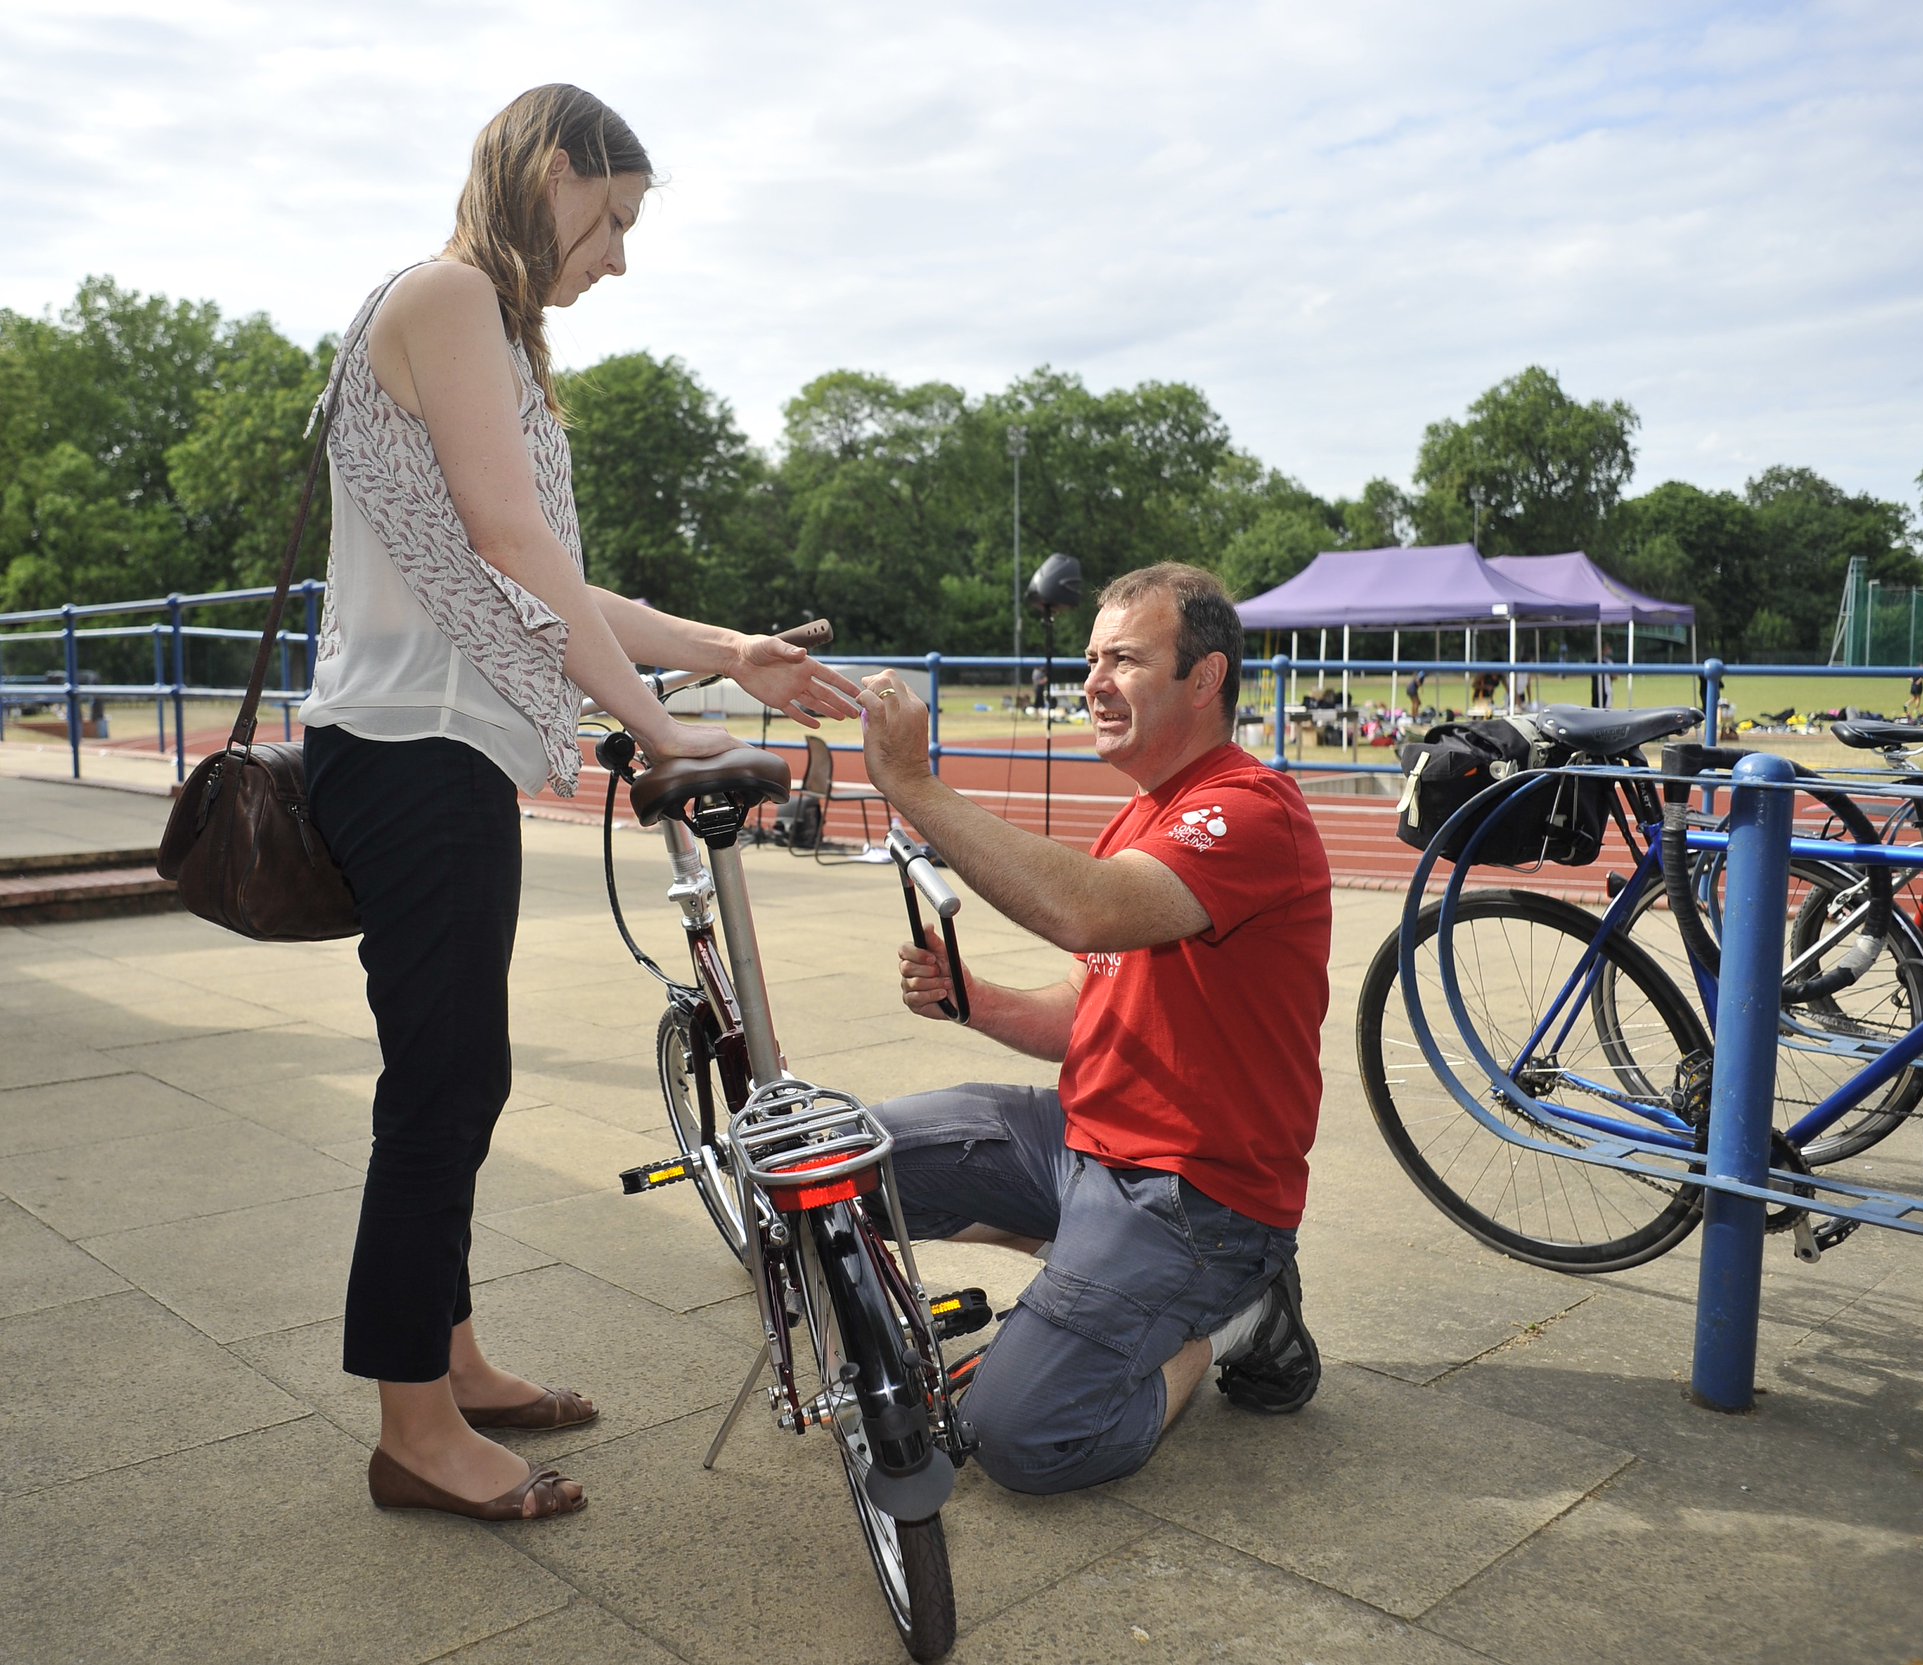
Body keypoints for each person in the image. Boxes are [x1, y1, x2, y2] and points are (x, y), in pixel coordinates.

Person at [300, 85, 860, 1523]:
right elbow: (509, 541)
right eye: (611, 218)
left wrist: (726, 656)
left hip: (448, 748)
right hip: (408, 745)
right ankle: (411, 1429)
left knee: (455, 1072)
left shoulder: (491, 338)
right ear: (553, 171)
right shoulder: (444, 297)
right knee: (444, 1080)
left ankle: (451, 1355)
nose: (617, 256)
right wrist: (659, 725)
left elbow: (552, 571)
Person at [856, 563, 1332, 1495]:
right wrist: (973, 996)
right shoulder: (1141, 814)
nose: (1092, 682)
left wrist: (912, 782)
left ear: (1206, 679)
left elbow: (1089, 913)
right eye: (1090, 658)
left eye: (1124, 659)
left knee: (1021, 1434)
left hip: (1197, 1195)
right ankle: (1094, 1272)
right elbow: (1090, 1009)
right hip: (1086, 1147)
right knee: (845, 1174)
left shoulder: (1250, 809)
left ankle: (1235, 1315)